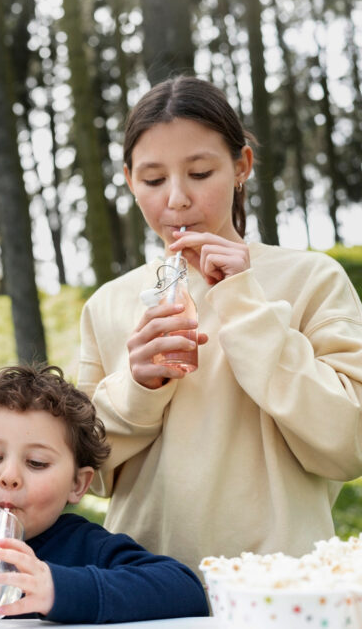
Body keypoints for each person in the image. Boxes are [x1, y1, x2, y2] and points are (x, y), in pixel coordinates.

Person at [78, 75, 362, 573]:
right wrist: (136, 387)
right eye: (153, 180)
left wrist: (245, 304)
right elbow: (85, 472)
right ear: (129, 181)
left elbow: (349, 445)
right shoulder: (107, 304)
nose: (177, 199)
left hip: (278, 590)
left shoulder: (311, 279)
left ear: (241, 167)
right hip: (141, 591)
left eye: (200, 172)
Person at [0, 364, 208, 624]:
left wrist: (60, 589)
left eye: (36, 463)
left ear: (77, 484)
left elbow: (185, 590)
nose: (9, 477)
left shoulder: (89, 547)